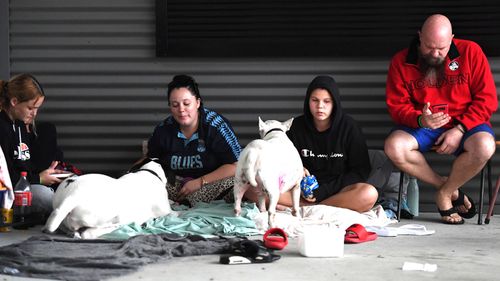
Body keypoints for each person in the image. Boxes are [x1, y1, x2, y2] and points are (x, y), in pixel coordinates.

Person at [384, 14, 497, 224]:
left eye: (442, 48)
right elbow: (397, 107)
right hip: (424, 126)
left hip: (466, 123)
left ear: (452, 39)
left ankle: (444, 194)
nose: (435, 54)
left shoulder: (471, 52)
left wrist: (460, 129)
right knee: (394, 147)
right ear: (420, 37)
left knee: (485, 146)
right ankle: (448, 188)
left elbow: (487, 99)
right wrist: (420, 120)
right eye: (428, 47)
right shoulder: (401, 61)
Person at [278, 75, 378, 212]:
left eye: (327, 101)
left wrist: (322, 192)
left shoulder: (349, 127)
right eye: (315, 100)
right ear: (308, 101)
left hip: (336, 192)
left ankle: (312, 208)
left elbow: (360, 172)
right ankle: (308, 205)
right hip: (298, 192)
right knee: (253, 188)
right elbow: (278, 160)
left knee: (369, 193)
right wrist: (295, 169)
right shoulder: (295, 127)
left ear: (335, 103)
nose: (320, 106)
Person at [147, 75, 242, 206]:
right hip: (178, 188)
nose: (181, 109)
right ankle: (185, 202)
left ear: (197, 102)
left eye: (186, 103)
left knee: (246, 183)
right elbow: (150, 161)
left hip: (213, 184)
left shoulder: (216, 126)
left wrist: (199, 182)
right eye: (175, 105)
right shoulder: (163, 130)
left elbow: (237, 166)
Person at [0, 73, 66, 224]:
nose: (34, 113)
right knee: (45, 197)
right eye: (30, 108)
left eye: (37, 108)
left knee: (66, 189)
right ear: (14, 101)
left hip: (26, 187)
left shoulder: (20, 124)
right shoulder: (2, 129)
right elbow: (5, 179)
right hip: (8, 196)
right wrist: (38, 179)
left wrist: (48, 173)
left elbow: (25, 164)